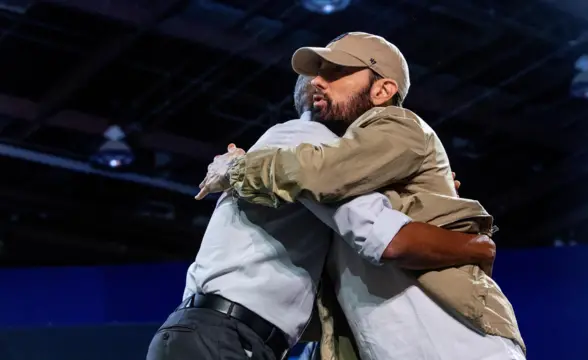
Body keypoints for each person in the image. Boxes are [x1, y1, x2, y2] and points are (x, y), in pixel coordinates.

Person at [199, 32, 525, 360]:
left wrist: (239, 169)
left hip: (460, 344)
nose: (317, 81)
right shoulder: (350, 180)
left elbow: (322, 172)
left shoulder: (400, 125)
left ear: (383, 90)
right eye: (317, 73)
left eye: (336, 72)